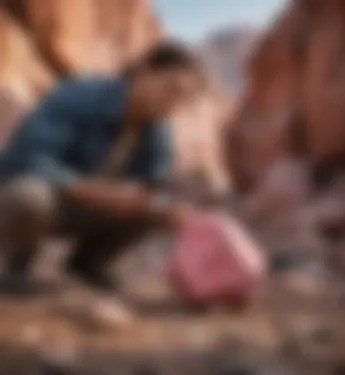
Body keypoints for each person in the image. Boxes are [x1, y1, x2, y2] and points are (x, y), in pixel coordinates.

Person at [0, 41, 203, 293]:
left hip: (88, 207)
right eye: (170, 89)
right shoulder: (78, 95)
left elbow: (154, 184)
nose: (173, 102)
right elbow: (29, 157)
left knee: (158, 207)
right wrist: (93, 191)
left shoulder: (158, 129)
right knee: (28, 197)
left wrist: (172, 210)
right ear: (143, 70)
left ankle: (87, 263)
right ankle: (17, 265)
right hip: (37, 196)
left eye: (183, 97)